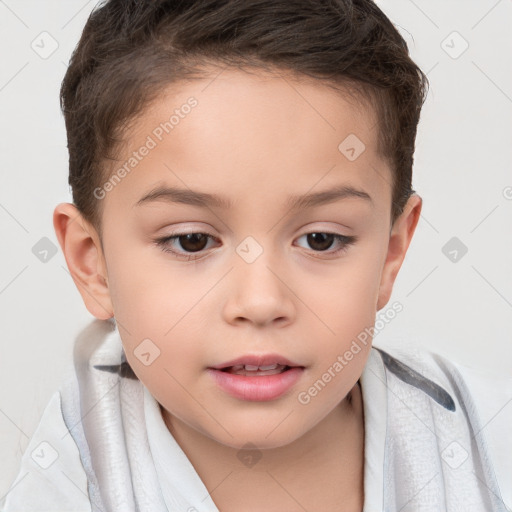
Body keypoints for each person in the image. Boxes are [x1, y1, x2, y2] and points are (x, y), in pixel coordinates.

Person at [2, 0, 510, 511]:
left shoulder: (483, 442)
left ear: (390, 253)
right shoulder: (72, 478)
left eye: (321, 240)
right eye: (192, 241)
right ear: (93, 263)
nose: (261, 301)